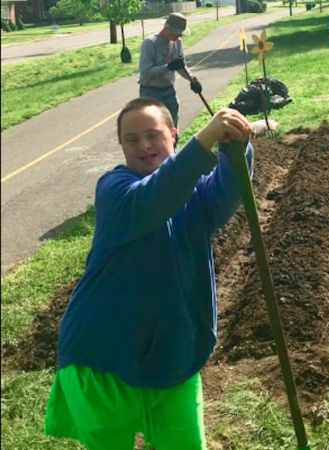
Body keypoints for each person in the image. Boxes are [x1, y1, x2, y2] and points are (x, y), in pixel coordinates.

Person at [44, 97, 254, 450]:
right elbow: (153, 200)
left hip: (173, 355)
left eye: (153, 135)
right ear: (122, 146)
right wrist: (201, 144)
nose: (144, 146)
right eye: (132, 139)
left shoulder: (196, 196)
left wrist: (237, 147)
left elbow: (228, 190)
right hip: (102, 358)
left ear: (174, 134)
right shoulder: (114, 190)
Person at [138, 13, 203, 131]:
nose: (179, 37)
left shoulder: (177, 42)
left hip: (169, 90)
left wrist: (192, 79)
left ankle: (173, 149)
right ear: (168, 29)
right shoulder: (150, 43)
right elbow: (145, 72)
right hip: (150, 92)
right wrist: (168, 67)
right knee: (154, 129)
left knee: (172, 127)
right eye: (177, 33)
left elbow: (180, 66)